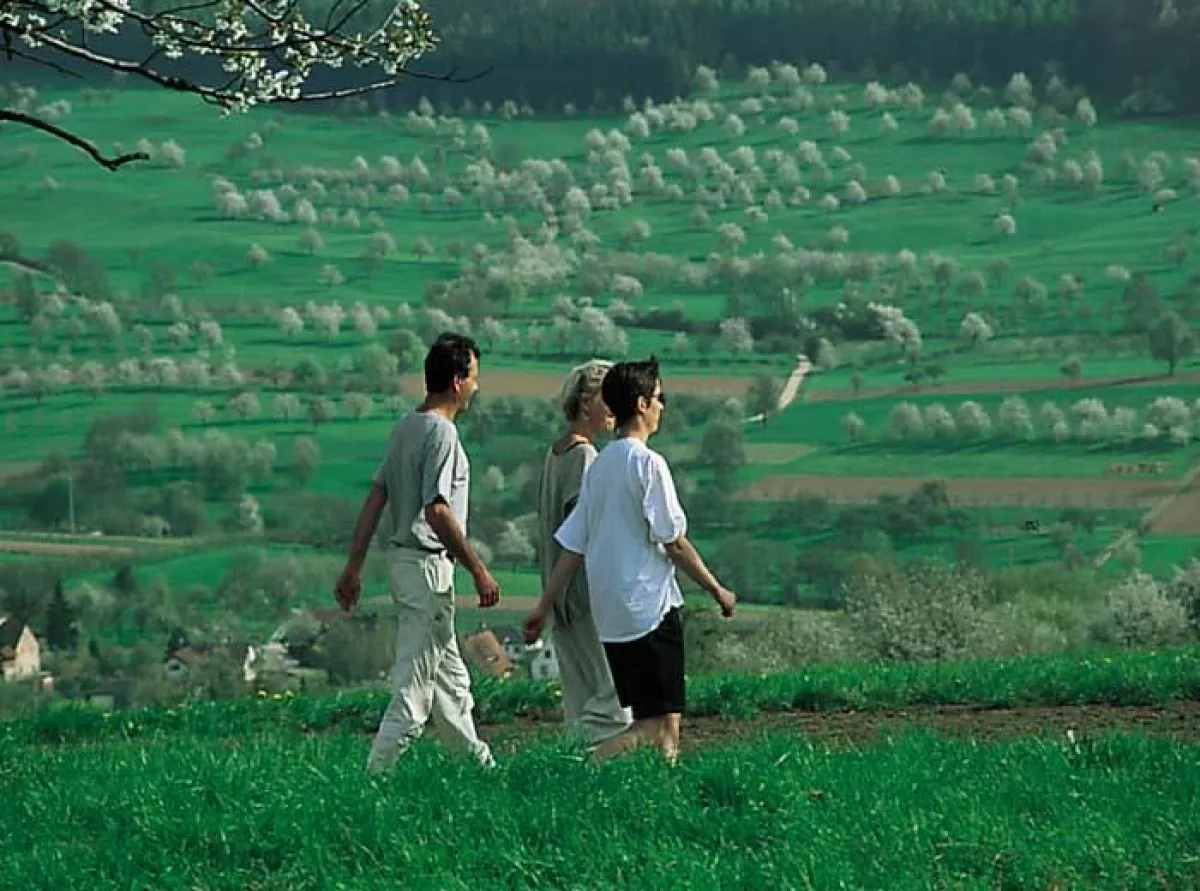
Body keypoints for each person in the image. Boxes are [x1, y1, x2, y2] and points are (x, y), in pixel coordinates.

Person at [523, 357, 737, 762]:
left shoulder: (600, 465)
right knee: (654, 726)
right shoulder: (648, 464)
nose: (663, 406)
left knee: (665, 723)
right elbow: (673, 543)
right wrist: (717, 590)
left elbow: (572, 547)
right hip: (649, 609)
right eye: (659, 397)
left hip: (612, 616)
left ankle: (662, 796)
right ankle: (583, 764)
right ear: (640, 404)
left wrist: (542, 606)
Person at [335, 332, 500, 773]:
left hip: (406, 566)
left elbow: (376, 497)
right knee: (413, 696)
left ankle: (481, 773)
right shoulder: (443, 435)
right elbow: (438, 510)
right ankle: (373, 778)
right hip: (428, 567)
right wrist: (479, 570)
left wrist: (354, 566)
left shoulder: (407, 426)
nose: (478, 388)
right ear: (458, 380)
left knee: (451, 686)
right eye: (475, 377)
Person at [535, 359, 632, 746]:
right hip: (585, 593)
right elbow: (582, 530)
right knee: (615, 690)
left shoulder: (554, 453)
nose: (613, 409)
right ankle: (596, 750)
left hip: (558, 591)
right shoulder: (584, 458)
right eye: (607, 399)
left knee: (580, 690)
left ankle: (577, 756)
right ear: (587, 401)